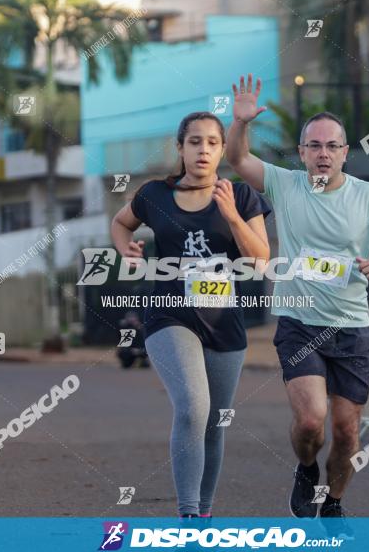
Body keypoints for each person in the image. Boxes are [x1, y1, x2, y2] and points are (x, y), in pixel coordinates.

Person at [225, 74, 369, 533]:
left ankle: (333, 502)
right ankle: (305, 468)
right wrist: (240, 123)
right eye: (314, 146)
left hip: (352, 327)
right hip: (299, 321)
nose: (322, 154)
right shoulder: (286, 184)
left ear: (345, 152)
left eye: (332, 146)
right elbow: (236, 158)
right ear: (302, 152)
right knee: (312, 421)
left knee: (348, 432)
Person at [109, 111, 271, 521]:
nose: (203, 150)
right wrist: (124, 247)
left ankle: (205, 514)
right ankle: (187, 515)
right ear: (180, 148)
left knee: (215, 424)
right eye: (194, 141)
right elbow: (120, 222)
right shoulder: (154, 196)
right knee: (193, 407)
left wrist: (232, 215)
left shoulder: (242, 196)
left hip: (225, 324)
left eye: (213, 143)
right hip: (169, 317)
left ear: (221, 151)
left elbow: (260, 263)